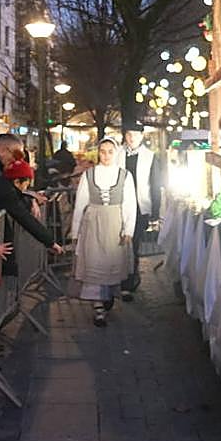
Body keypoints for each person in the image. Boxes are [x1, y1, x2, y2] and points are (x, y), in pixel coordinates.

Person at [70, 137, 137, 326]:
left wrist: (128, 229)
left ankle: (108, 296)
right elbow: (80, 204)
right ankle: (98, 306)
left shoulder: (125, 175)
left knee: (111, 262)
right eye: (102, 151)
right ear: (98, 153)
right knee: (94, 261)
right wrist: (75, 232)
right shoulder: (89, 174)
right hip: (93, 224)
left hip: (115, 223)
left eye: (110, 152)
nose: (106, 155)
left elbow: (130, 204)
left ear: (116, 153)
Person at [0, 134, 62, 256]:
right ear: (3, 150)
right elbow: (14, 204)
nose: (17, 161)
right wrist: (48, 241)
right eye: (17, 155)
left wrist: (30, 199)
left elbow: (10, 196)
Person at [119, 126, 163, 301]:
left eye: (135, 135)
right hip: (119, 206)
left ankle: (129, 281)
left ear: (141, 136)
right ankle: (122, 279)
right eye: (129, 134)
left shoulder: (150, 156)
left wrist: (155, 211)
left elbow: (155, 184)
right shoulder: (117, 154)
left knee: (133, 244)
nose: (131, 138)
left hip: (139, 207)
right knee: (119, 245)